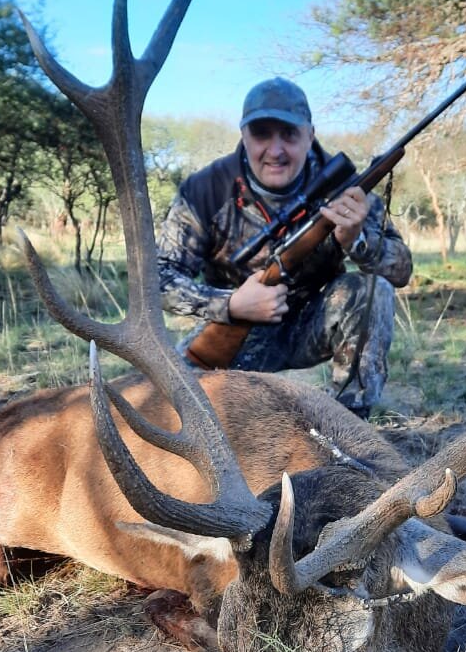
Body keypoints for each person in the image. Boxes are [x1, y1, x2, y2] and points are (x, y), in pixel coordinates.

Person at [156, 77, 412, 417]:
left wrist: (356, 241)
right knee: (170, 405)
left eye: (289, 134)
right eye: (262, 134)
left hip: (311, 323)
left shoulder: (343, 187)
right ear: (244, 135)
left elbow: (401, 270)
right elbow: (157, 279)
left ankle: (351, 425)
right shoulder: (205, 190)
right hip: (233, 332)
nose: (275, 151)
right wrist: (230, 305)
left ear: (310, 135)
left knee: (373, 289)